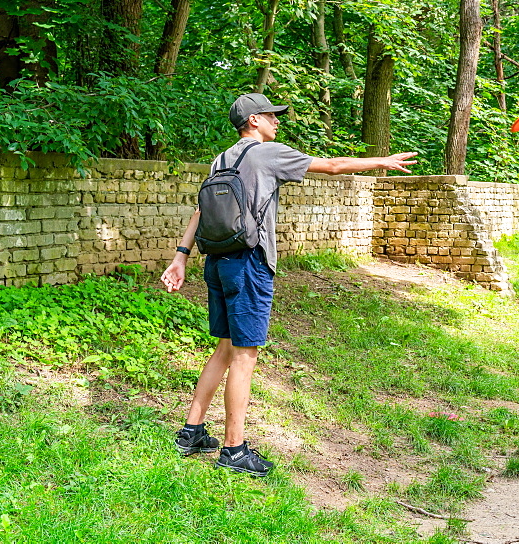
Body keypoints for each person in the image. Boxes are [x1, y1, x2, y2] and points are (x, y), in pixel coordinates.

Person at [160, 92, 417, 477]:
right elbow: (330, 166)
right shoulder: (268, 153)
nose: (276, 121)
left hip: (216, 261)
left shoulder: (221, 159)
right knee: (245, 356)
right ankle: (234, 449)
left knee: (225, 349)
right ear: (253, 122)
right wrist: (382, 160)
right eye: (270, 116)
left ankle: (191, 432)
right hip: (249, 263)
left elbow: (201, 211)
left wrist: (180, 256)